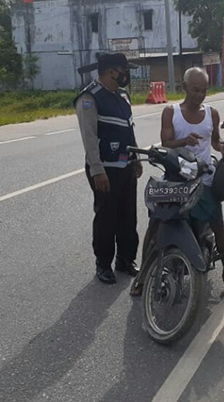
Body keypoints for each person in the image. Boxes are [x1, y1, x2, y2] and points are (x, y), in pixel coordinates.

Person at [130, 67, 224, 299]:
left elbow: (215, 142)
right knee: (155, 223)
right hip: (175, 177)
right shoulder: (171, 112)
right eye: (195, 90)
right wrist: (184, 140)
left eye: (204, 90)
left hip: (204, 179)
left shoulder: (212, 113)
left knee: (218, 224)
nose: (200, 95)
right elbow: (166, 142)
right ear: (184, 89)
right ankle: (142, 276)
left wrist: (223, 148)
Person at [75, 53, 144, 285]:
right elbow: (89, 137)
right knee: (106, 217)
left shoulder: (122, 96)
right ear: (111, 71)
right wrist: (97, 170)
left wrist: (136, 157)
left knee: (128, 216)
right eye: (124, 70)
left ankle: (126, 259)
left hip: (126, 165)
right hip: (105, 169)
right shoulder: (89, 98)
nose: (127, 75)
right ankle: (103, 264)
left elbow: (128, 127)